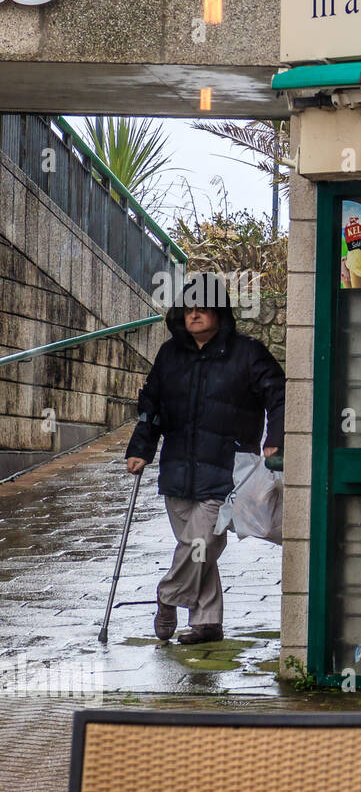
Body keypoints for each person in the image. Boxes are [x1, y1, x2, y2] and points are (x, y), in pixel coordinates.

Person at [124, 273, 285, 644]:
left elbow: (279, 393)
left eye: (202, 308)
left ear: (220, 313)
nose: (194, 314)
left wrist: (275, 439)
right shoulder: (170, 355)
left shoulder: (247, 353)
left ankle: (167, 597)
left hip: (228, 472)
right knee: (194, 548)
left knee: (202, 542)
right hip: (178, 469)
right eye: (188, 308)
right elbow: (152, 406)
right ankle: (207, 622)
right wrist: (140, 448)